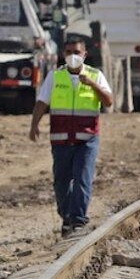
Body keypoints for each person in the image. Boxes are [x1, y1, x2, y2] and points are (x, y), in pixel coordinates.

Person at [29, 39, 113, 237]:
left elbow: (108, 101)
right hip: (61, 139)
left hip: (87, 139)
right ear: (63, 54)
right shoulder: (55, 76)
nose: (72, 55)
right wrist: (34, 125)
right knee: (62, 182)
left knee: (83, 178)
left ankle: (78, 220)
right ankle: (66, 217)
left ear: (84, 54)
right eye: (68, 52)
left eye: (76, 51)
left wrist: (92, 84)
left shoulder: (95, 75)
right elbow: (42, 102)